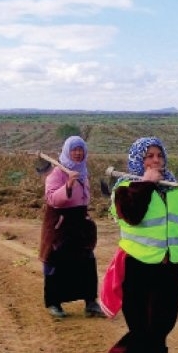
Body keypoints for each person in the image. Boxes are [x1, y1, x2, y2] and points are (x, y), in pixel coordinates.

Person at [99, 137, 178, 353]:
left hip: (169, 268)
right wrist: (146, 184)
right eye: (148, 156)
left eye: (159, 156)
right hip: (137, 270)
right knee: (144, 324)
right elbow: (131, 215)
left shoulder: (174, 190)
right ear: (138, 161)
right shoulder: (126, 190)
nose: (155, 161)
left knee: (163, 323)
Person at [38, 135, 105, 318]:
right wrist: (68, 185)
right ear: (67, 151)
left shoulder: (82, 171)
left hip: (79, 222)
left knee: (86, 261)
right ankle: (54, 303)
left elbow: (85, 197)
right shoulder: (57, 173)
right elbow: (51, 198)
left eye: (80, 149)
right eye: (74, 150)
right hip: (60, 224)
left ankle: (91, 302)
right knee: (56, 264)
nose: (77, 153)